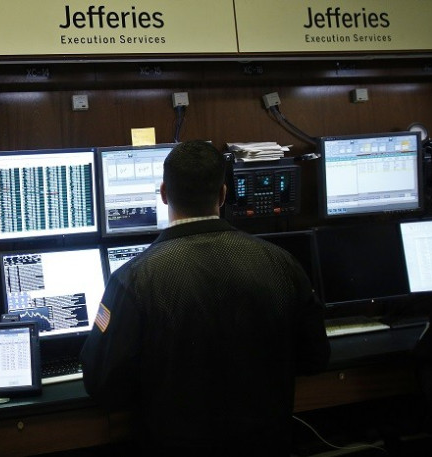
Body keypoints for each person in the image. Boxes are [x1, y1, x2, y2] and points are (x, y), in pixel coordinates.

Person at [80, 140, 331, 456]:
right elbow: (316, 358)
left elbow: (101, 384)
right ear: (224, 194)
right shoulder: (282, 264)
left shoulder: (133, 280)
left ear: (164, 194)